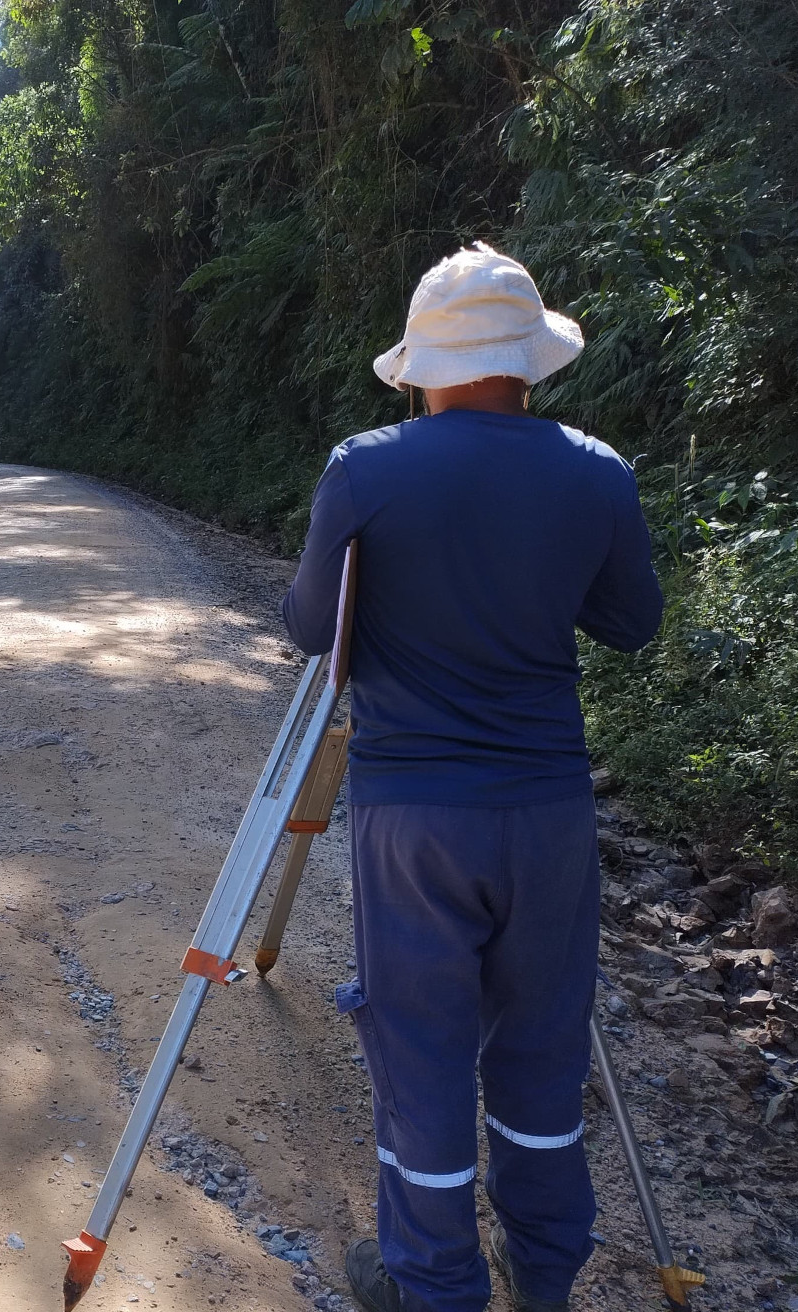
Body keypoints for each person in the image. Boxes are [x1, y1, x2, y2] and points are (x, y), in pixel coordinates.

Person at [281, 243, 664, 1312]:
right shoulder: (598, 471)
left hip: (415, 826)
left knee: (423, 1052)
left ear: (419, 369)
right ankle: (544, 1279)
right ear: (530, 366)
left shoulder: (366, 467)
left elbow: (313, 626)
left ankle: (435, 1284)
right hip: (548, 818)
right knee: (541, 1053)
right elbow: (633, 622)